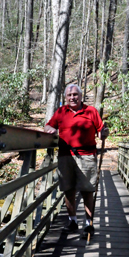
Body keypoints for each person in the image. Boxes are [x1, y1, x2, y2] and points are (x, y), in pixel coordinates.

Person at [44, 84, 109, 238]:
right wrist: (49, 130)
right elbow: (48, 126)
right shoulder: (61, 112)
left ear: (80, 96)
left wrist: (104, 133)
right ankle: (72, 221)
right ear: (65, 98)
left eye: (75, 95)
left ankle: (88, 224)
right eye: (69, 95)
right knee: (68, 189)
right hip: (65, 155)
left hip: (86, 156)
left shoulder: (91, 111)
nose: (72, 97)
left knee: (87, 190)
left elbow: (100, 132)